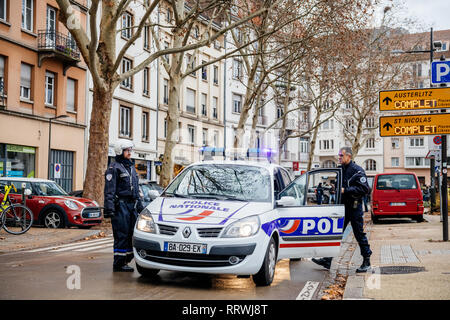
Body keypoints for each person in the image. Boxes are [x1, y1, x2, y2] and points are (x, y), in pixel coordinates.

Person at [312, 147, 372, 273]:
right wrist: (335, 188)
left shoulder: (357, 171)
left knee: (359, 234)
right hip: (342, 208)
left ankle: (367, 261)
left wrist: (345, 190)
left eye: (341, 155)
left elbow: (365, 189)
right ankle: (328, 260)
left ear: (348, 156)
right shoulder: (340, 170)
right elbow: (341, 187)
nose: (339, 158)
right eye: (339, 155)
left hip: (354, 208)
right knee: (336, 234)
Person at [104, 139, 144, 272]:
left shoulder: (131, 167)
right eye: (127, 150)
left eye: (130, 150)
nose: (129, 153)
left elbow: (136, 188)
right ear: (120, 151)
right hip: (120, 206)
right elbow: (109, 190)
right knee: (121, 234)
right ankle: (119, 263)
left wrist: (140, 206)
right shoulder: (113, 168)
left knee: (130, 234)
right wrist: (109, 209)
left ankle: (126, 260)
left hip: (131, 206)